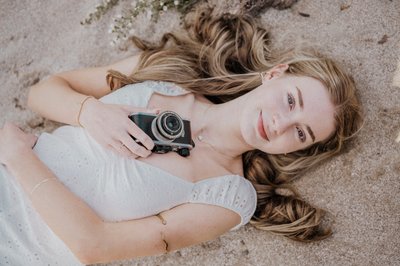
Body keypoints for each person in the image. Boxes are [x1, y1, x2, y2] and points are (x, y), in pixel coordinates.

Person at [0, 7, 363, 265]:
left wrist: (19, 158)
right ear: (276, 74)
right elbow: (42, 92)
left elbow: (91, 246)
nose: (280, 124)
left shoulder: (228, 196)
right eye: (290, 100)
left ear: (300, 148)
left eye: (301, 132)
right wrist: (89, 112)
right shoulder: (169, 75)